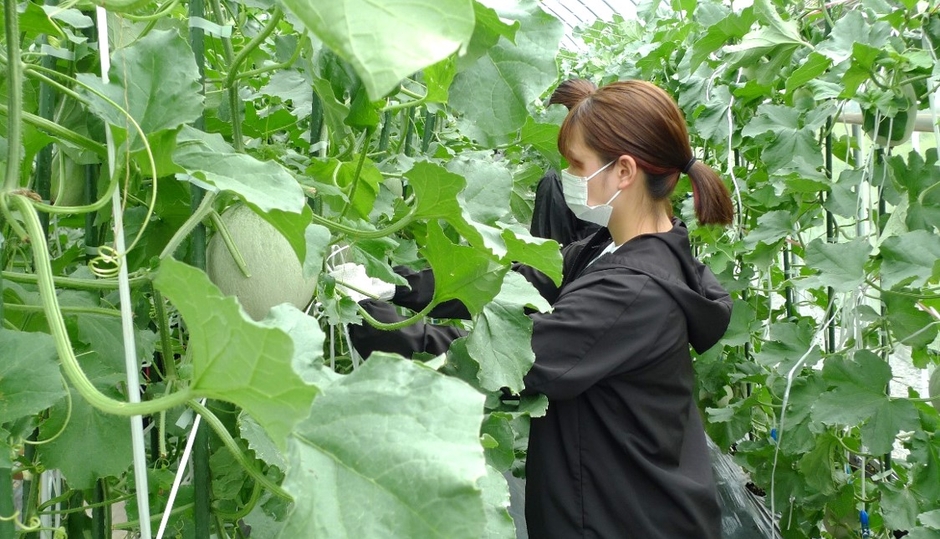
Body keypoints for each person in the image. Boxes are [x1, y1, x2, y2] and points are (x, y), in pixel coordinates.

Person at [340, 78, 735, 538]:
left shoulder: (633, 294)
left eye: (576, 163)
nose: (566, 175)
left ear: (623, 171)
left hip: (626, 519)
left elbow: (508, 355)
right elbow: (515, 276)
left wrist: (372, 321)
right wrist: (393, 287)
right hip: (636, 496)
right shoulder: (610, 248)